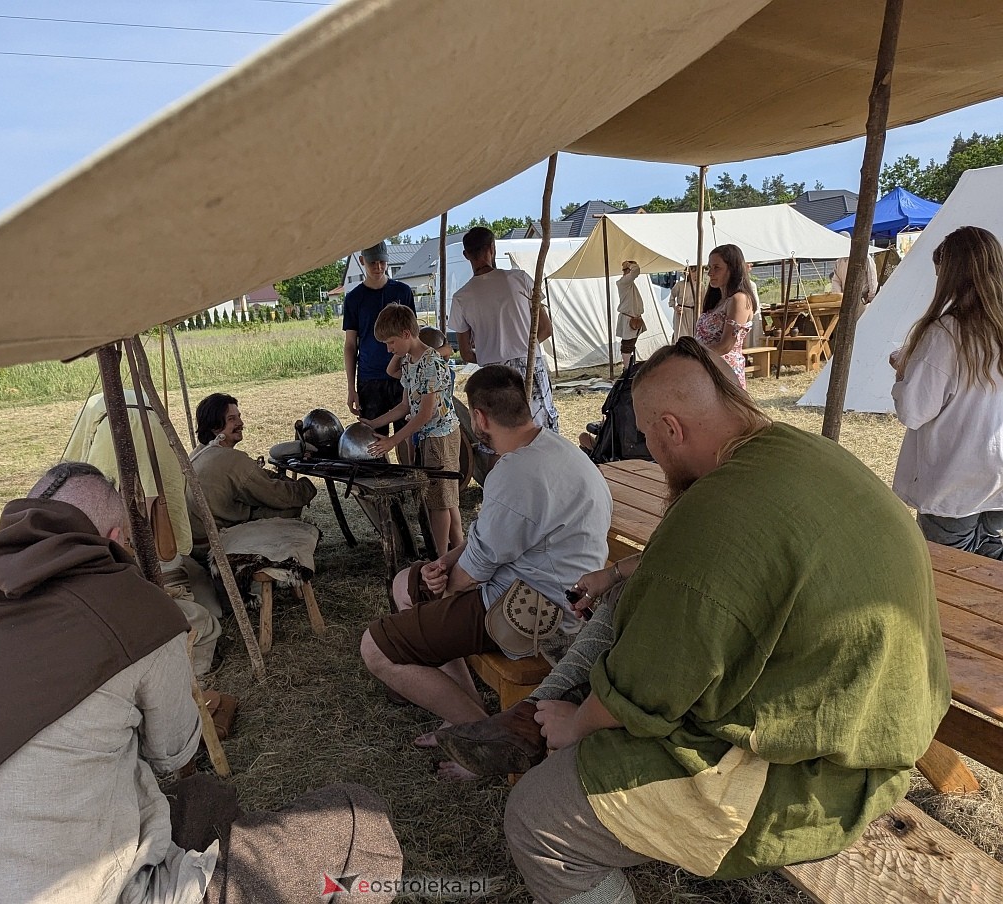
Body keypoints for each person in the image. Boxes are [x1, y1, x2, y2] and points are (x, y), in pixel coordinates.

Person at [489, 338, 948, 904]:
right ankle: (527, 716)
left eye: (650, 439)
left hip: (815, 776)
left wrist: (576, 725)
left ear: (672, 430)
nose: (653, 455)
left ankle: (540, 724)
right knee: (620, 601)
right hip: (882, 723)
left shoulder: (715, 512)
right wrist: (618, 574)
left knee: (538, 819)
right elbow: (723, 567)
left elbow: (647, 690)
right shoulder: (795, 452)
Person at [0, 462, 402, 904]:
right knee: (359, 820)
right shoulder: (132, 612)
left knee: (205, 800)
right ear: (112, 539)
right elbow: (173, 753)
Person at [360, 364, 610, 779]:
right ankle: (465, 707)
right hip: (557, 597)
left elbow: (472, 576)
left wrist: (443, 582)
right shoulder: (561, 450)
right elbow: (487, 543)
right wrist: (445, 563)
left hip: (530, 611)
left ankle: (477, 734)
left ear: (477, 417)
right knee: (406, 583)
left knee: (375, 647)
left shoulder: (514, 473)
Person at [65, 391, 222, 679]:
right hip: (125, 434)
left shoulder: (104, 409)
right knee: (141, 518)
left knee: (136, 516)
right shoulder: (122, 414)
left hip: (118, 436)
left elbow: (73, 465)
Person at [890, 225, 1003, 560]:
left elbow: (913, 410)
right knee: (992, 573)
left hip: (956, 475)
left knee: (953, 575)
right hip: (997, 473)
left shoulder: (946, 333)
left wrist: (903, 371)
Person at [362, 303, 463, 554]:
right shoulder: (410, 361)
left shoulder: (431, 362)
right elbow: (405, 406)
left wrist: (394, 440)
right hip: (428, 435)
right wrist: (375, 423)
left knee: (440, 503)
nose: (389, 349)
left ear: (407, 334)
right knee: (445, 499)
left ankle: (439, 558)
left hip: (440, 435)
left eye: (391, 342)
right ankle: (458, 551)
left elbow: (425, 414)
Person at [448, 226, 560, 432]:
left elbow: (464, 353)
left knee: (502, 432)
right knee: (540, 428)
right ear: (492, 248)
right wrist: (524, 348)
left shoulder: (461, 297)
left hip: (493, 373)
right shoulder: (519, 279)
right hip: (530, 364)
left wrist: (489, 356)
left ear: (466, 255)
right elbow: (545, 328)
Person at [188, 392, 317, 534]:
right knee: (289, 507)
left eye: (239, 417)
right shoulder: (232, 459)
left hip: (195, 537)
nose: (240, 423)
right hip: (213, 540)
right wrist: (306, 487)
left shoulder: (199, 452)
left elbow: (254, 475)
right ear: (215, 427)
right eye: (232, 419)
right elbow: (279, 496)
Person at [343, 240, 416, 462]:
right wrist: (350, 387)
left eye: (382, 262)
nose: (378, 267)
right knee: (373, 439)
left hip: (402, 376)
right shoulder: (354, 298)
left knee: (408, 435)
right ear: (362, 261)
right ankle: (381, 489)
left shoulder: (402, 292)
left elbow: (414, 336)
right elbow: (350, 345)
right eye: (373, 263)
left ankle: (412, 479)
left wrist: (414, 372)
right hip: (370, 379)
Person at [695, 243, 757, 388]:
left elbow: (726, 345)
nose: (710, 273)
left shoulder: (739, 299)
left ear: (733, 269)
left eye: (717, 268)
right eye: (709, 268)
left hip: (724, 373)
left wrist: (692, 353)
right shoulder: (718, 301)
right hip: (706, 368)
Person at [832, 231, 879, 303]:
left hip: (863, 298)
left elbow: (872, 278)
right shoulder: (839, 262)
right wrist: (838, 298)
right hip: (846, 299)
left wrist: (871, 297)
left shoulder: (865, 257)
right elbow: (836, 281)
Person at [615, 260, 645, 369]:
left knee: (630, 344)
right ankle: (627, 369)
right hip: (628, 320)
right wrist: (630, 264)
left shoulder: (629, 283)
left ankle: (629, 368)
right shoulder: (624, 282)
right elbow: (636, 270)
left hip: (635, 319)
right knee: (627, 345)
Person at [667, 267, 699, 341]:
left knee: (692, 335)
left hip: (693, 313)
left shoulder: (700, 286)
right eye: (693, 272)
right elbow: (671, 298)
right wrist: (675, 307)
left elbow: (703, 301)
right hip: (681, 313)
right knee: (680, 335)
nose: (694, 274)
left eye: (695, 272)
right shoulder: (680, 285)